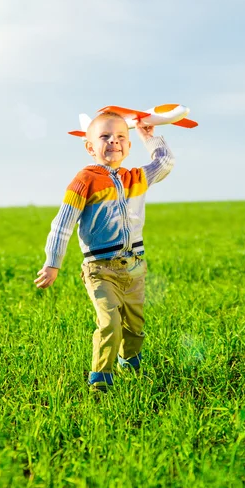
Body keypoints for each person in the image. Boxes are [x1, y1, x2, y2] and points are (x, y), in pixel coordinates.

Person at [34, 111, 175, 392]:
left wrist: (148, 136)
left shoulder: (136, 177)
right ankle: (100, 379)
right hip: (100, 268)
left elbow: (165, 162)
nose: (114, 142)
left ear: (129, 145)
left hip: (134, 266)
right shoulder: (85, 180)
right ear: (90, 147)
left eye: (121, 136)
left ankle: (131, 365)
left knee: (134, 326)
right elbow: (63, 222)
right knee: (110, 322)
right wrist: (53, 263)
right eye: (105, 136)